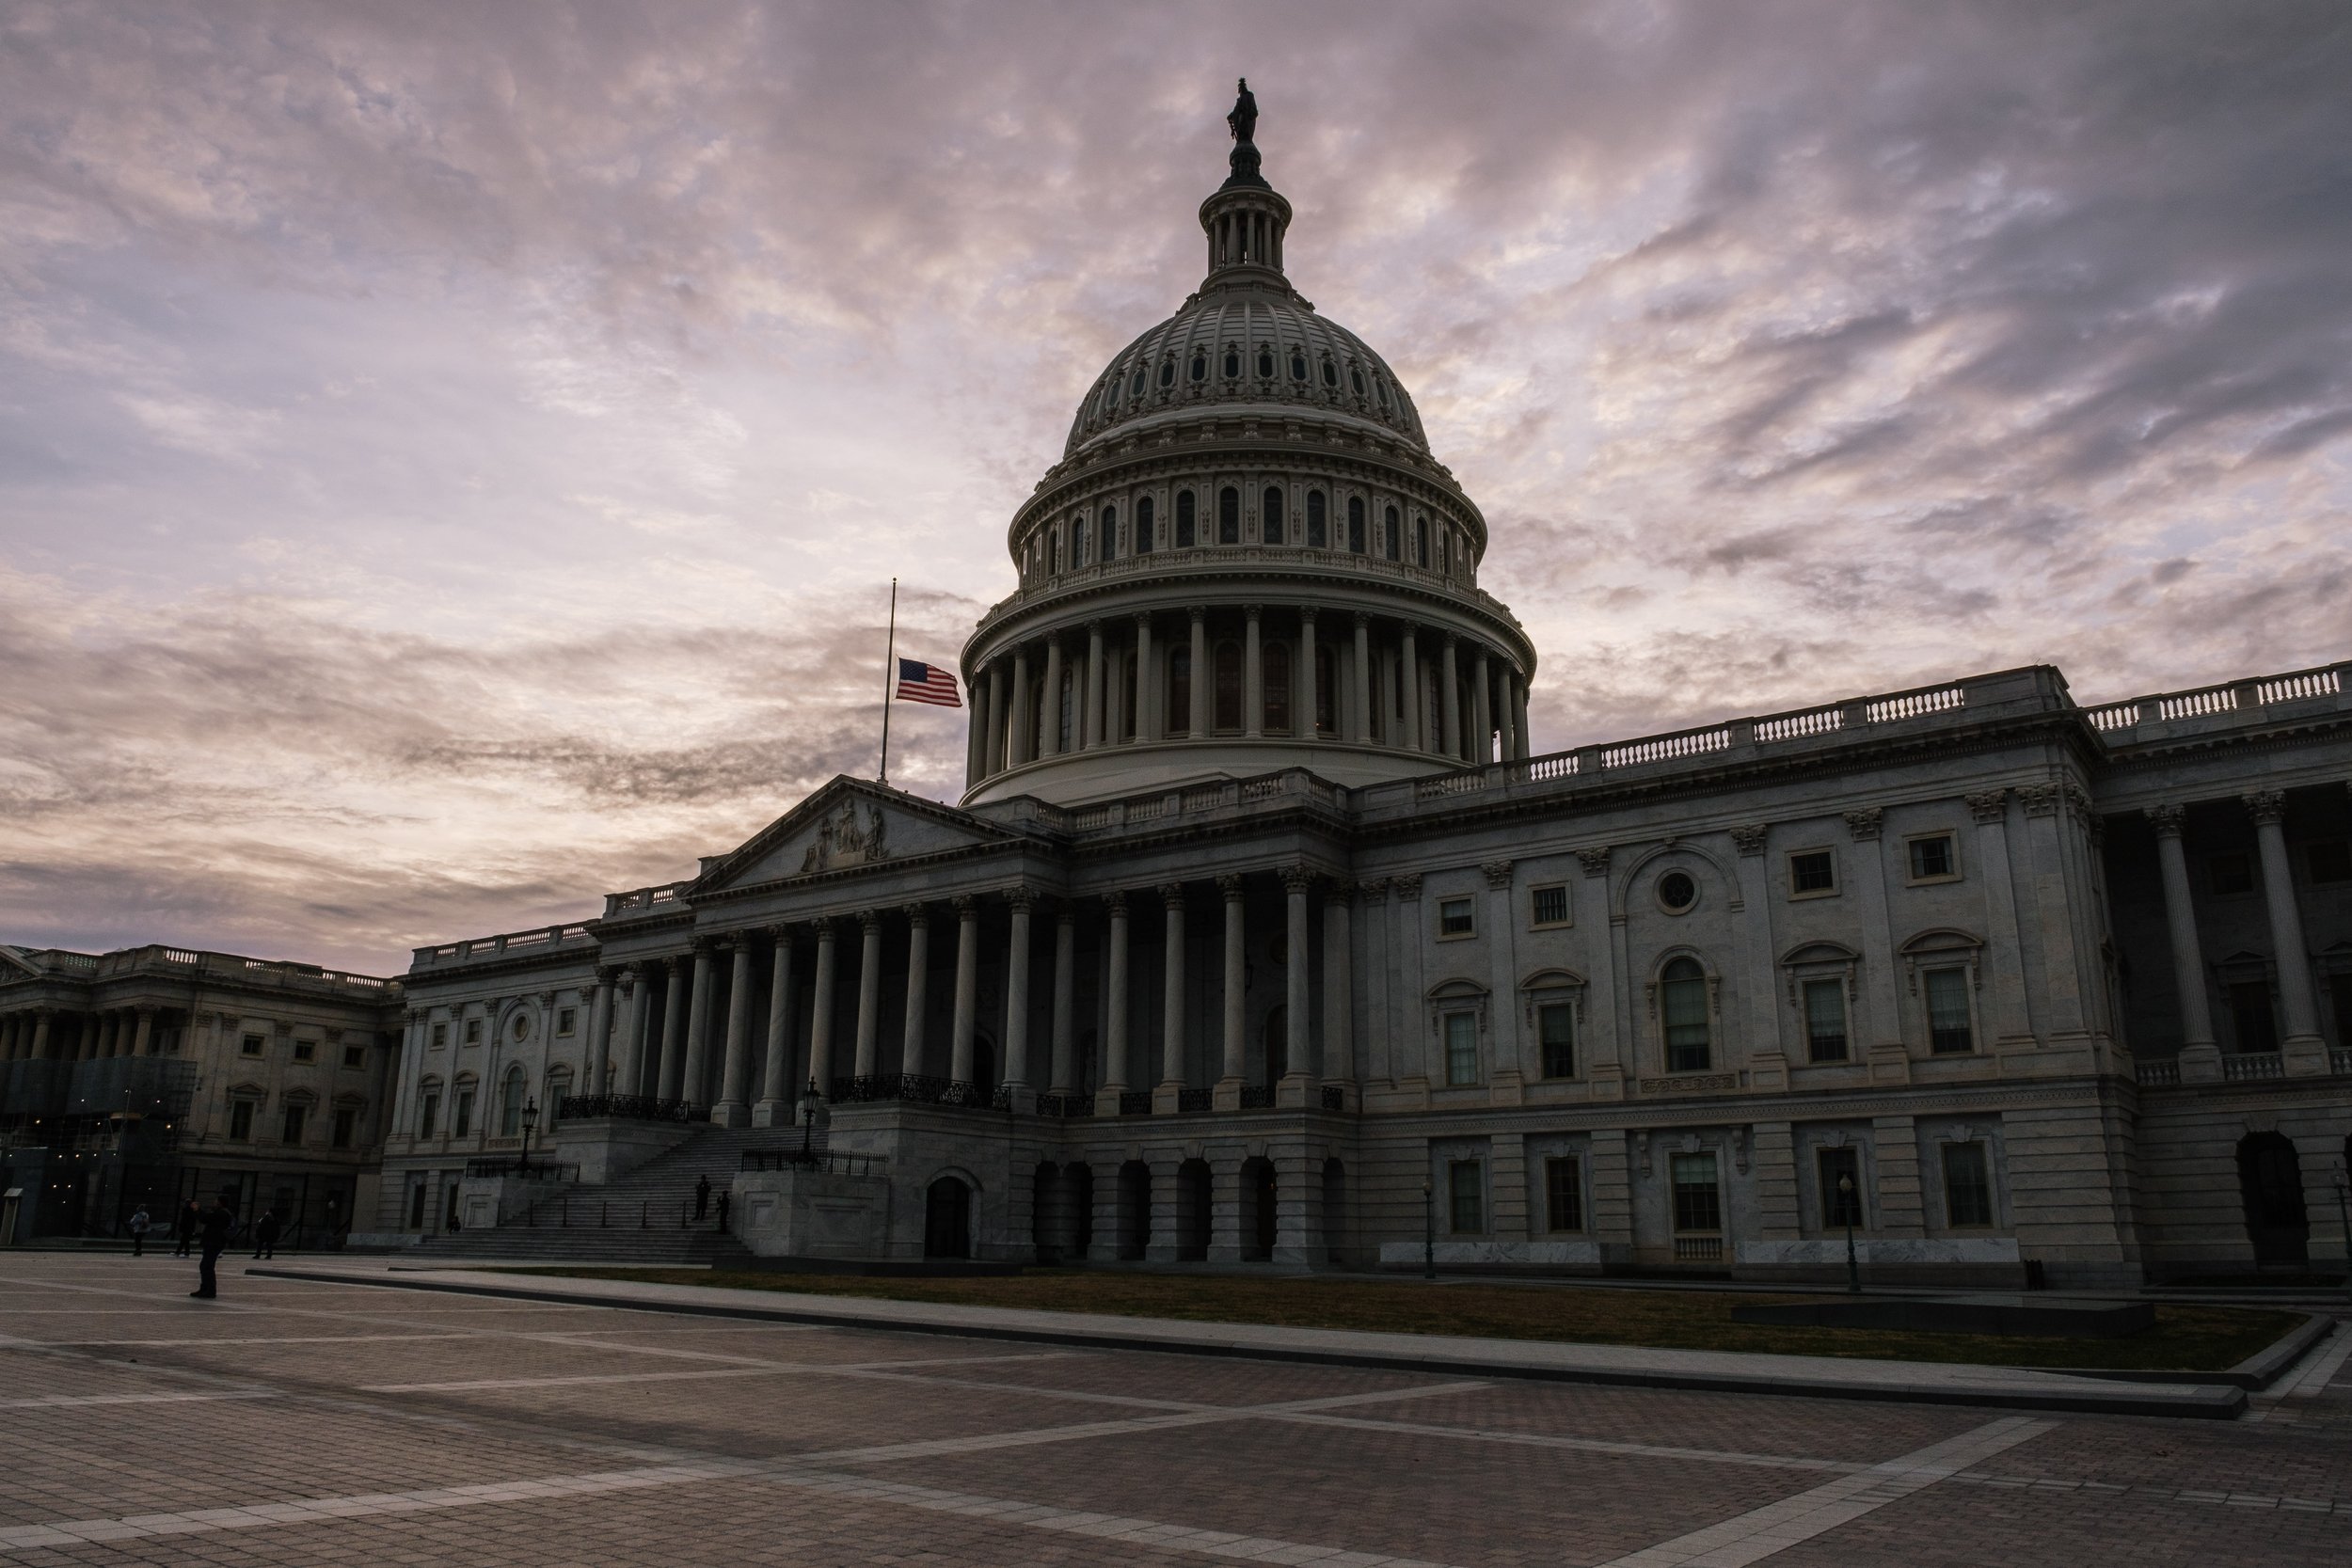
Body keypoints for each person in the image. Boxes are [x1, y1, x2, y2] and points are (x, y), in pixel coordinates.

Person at [190, 1191, 237, 1300]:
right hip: (215, 1243)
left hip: (214, 1243)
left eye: (216, 1201)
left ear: (220, 1202)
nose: (214, 1202)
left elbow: (205, 1219)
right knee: (206, 1266)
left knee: (207, 1266)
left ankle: (209, 1290)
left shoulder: (221, 1213)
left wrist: (197, 1210)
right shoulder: (223, 1213)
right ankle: (205, 1289)